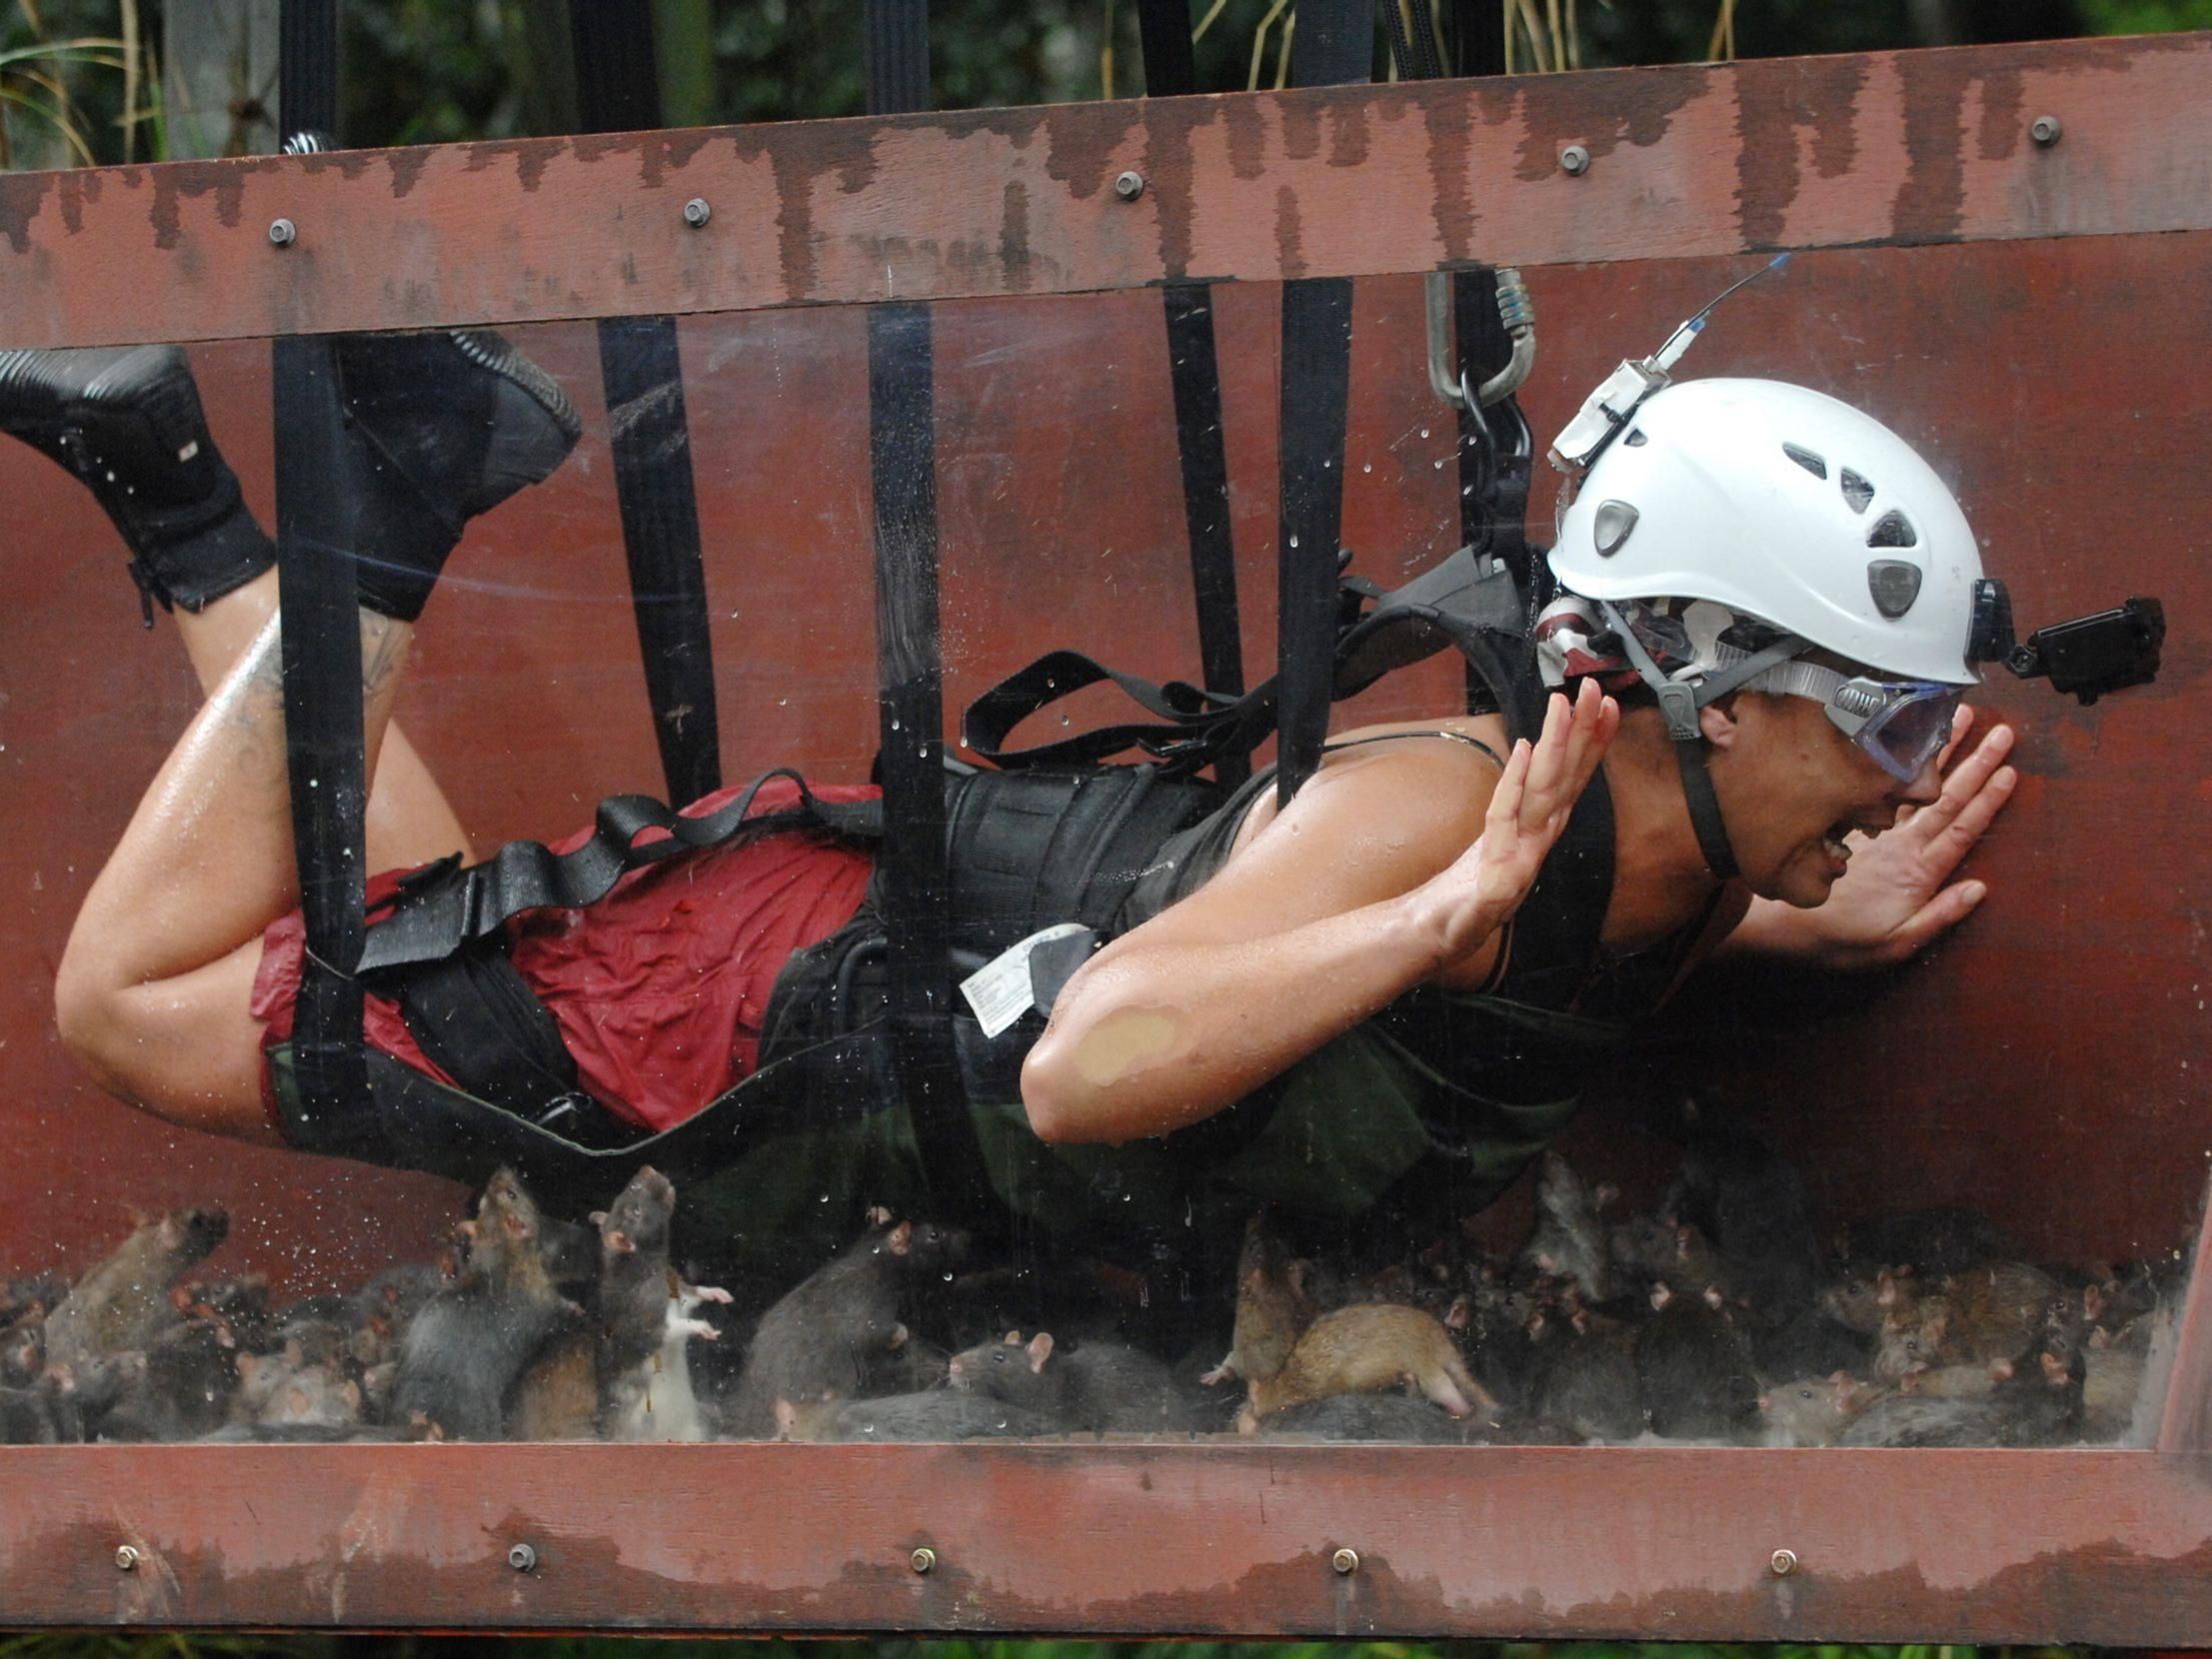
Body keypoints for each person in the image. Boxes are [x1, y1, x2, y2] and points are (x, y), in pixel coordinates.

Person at [9, 330, 2016, 1261]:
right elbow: (1078, 1063)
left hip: (830, 1036)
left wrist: (1785, 921)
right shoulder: (1438, 820)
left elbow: (1555, 938)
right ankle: (372, 508)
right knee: (129, 1008)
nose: (1902, 772)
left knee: (416, 944)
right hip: (778, 999)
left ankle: (182, 489)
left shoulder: (1656, 847)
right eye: (1883, 724)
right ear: (1714, 698)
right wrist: (1429, 920)